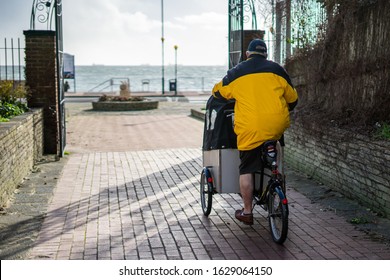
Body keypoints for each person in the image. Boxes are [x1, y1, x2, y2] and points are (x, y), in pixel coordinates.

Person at [212, 39, 298, 225]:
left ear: (247, 54)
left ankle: (248, 211)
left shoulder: (236, 72)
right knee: (275, 155)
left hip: (250, 128)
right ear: (266, 54)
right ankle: (275, 179)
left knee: (247, 168)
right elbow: (293, 99)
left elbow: (217, 92)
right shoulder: (278, 70)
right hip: (276, 125)